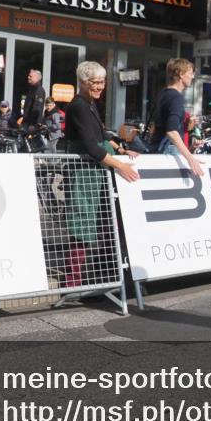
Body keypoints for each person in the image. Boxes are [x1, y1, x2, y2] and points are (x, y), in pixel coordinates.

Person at [64, 61, 140, 288]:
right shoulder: (78, 105)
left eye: (102, 82)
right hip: (84, 174)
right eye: (95, 83)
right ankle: (74, 283)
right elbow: (92, 146)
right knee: (82, 225)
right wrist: (120, 165)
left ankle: (105, 274)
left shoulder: (89, 103)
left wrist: (120, 148)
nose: (100, 87)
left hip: (95, 173)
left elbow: (101, 132)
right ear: (83, 82)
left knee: (105, 222)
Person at [151, 58, 204, 177]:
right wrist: (191, 159)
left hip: (157, 147)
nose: (193, 77)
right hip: (169, 151)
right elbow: (171, 131)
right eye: (190, 73)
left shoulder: (163, 93)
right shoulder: (176, 97)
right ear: (180, 74)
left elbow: (159, 125)